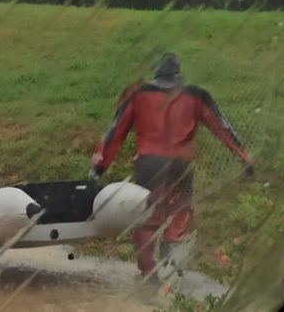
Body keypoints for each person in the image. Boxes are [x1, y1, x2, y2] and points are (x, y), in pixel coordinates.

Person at [88, 53, 254, 284]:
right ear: (179, 76)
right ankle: (170, 262)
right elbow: (221, 126)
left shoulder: (138, 93)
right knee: (180, 212)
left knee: (145, 216)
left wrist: (98, 167)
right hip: (180, 166)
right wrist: (245, 158)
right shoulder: (196, 96)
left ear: (156, 74)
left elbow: (115, 130)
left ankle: (149, 273)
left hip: (149, 164)